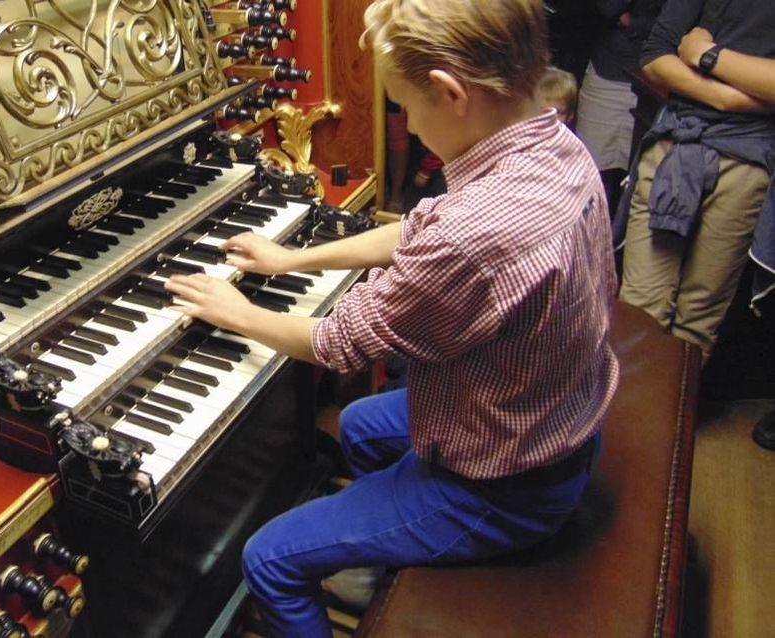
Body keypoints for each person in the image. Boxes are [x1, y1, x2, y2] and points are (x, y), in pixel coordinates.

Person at [165, 0, 619, 635]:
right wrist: (292, 259)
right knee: (357, 424)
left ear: (449, 93)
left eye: (405, 106)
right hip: (548, 420)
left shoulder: (478, 232)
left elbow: (333, 343)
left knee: (267, 559)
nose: (408, 121)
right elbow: (419, 229)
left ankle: (406, 540)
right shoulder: (550, 140)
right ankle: (385, 552)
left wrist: (237, 311)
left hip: (507, 488)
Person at [614, 0, 775, 365]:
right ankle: (634, 421)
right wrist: (728, 97)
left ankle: (670, 421)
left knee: (698, 319)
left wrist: (706, 54)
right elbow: (655, 56)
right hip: (675, 145)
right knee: (640, 310)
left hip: (745, 159)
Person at [575, 0, 666, 214]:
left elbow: (682, 25)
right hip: (608, 70)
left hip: (657, 83)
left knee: (639, 183)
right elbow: (609, 8)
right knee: (587, 174)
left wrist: (634, 23)